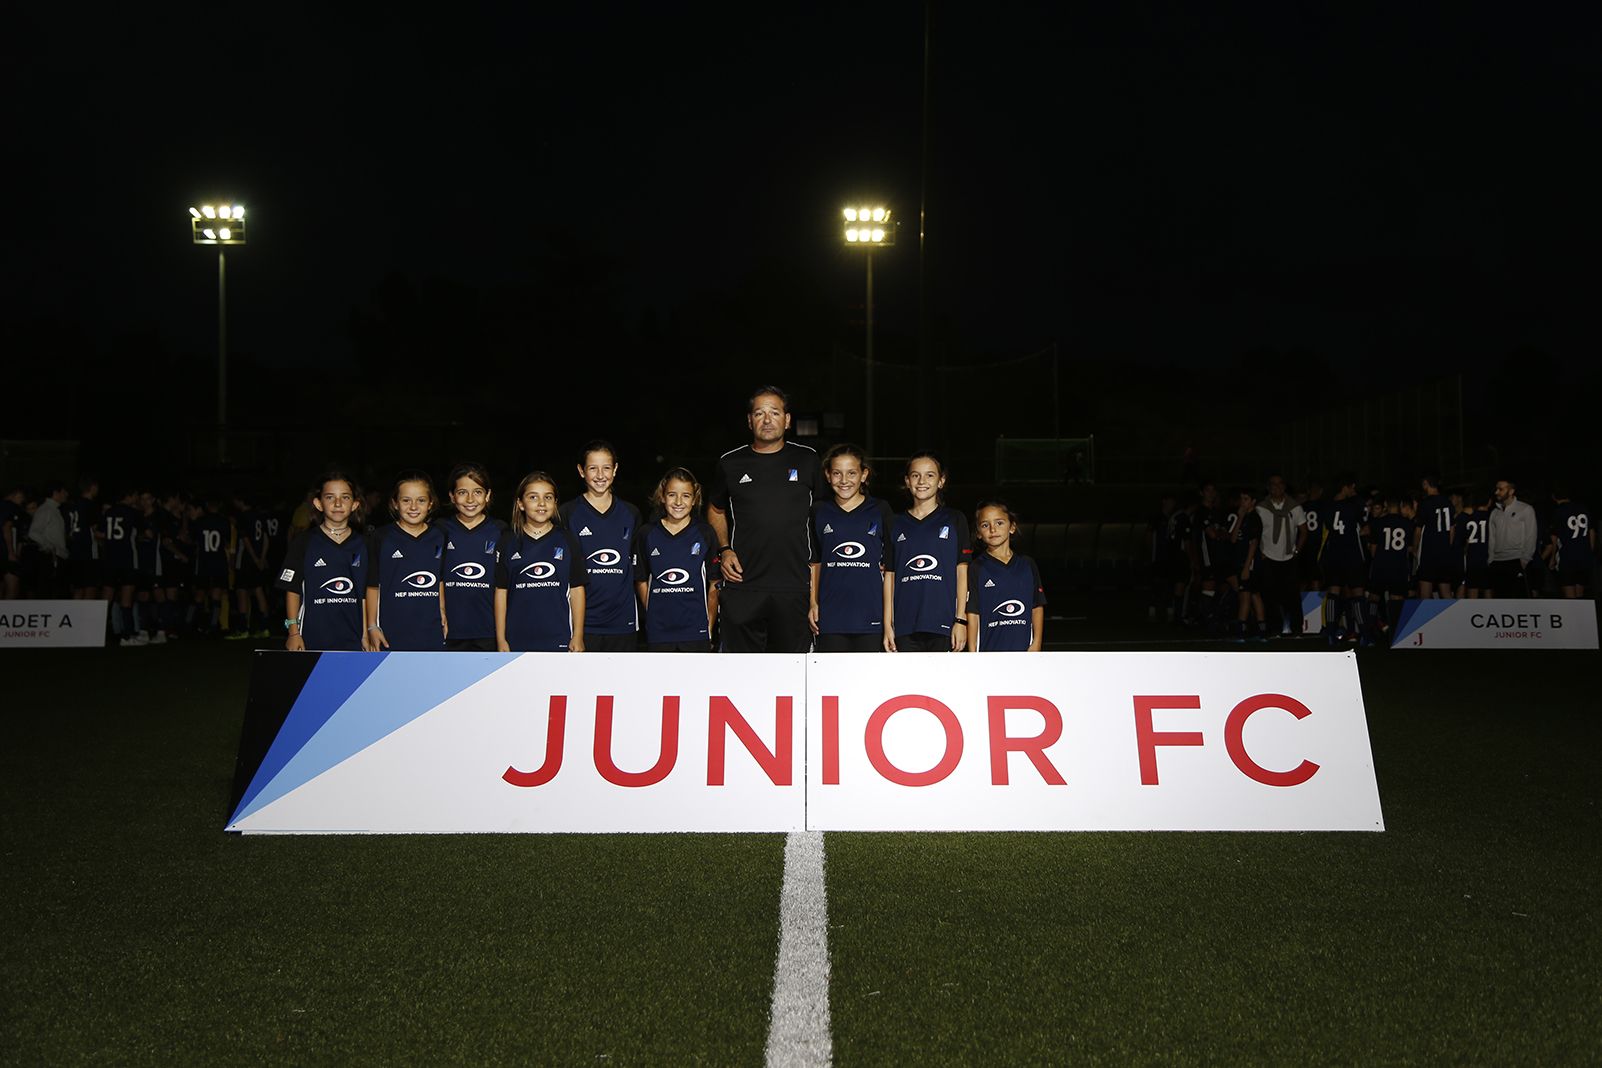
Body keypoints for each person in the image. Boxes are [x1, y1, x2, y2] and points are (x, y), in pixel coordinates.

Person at [706, 386, 821, 653]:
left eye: (774, 412)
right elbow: (715, 509)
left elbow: (827, 517)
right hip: (743, 585)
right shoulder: (730, 463)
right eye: (759, 413)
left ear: (787, 420)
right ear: (749, 421)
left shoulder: (807, 459)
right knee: (741, 672)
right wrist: (724, 549)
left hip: (794, 586)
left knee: (792, 674)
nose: (767, 420)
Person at [810, 444, 895, 652]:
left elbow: (891, 567)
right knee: (831, 684)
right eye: (837, 473)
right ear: (828, 476)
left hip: (871, 618)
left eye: (851, 473)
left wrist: (888, 622)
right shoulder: (819, 511)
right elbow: (815, 562)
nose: (844, 480)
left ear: (864, 475)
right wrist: (813, 603)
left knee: (868, 683)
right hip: (830, 618)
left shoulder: (880, 510)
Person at [560, 440, 642, 652]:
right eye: (592, 468)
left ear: (615, 469)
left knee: (622, 684)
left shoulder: (631, 513)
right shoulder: (567, 513)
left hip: (623, 623)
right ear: (581, 471)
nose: (600, 475)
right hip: (582, 624)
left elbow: (638, 569)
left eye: (606, 467)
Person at [885, 451, 971, 652]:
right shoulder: (894, 523)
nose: (922, 481)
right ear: (907, 481)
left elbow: (962, 572)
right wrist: (888, 625)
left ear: (941, 481)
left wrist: (961, 620)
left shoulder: (955, 519)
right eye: (915, 475)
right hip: (904, 625)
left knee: (942, 683)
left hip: (944, 624)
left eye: (930, 475)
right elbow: (890, 576)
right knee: (907, 684)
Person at [495, 472, 587, 652]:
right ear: (520, 503)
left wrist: (578, 635)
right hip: (516, 638)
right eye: (533, 497)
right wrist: (501, 638)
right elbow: (501, 592)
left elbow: (577, 590)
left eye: (548, 497)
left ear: (555, 503)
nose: (542, 503)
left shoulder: (567, 540)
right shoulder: (507, 541)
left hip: (559, 637)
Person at [276, 473, 366, 651]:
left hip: (355, 637)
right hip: (313, 636)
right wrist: (294, 633)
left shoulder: (366, 544)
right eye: (330, 497)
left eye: (345, 497)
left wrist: (368, 632)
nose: (338, 504)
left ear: (355, 504)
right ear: (318, 503)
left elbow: (368, 593)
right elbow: (292, 589)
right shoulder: (303, 542)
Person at [633, 467, 719, 652]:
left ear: (695, 499)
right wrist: (653, 613)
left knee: (695, 681)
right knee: (661, 681)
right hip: (659, 634)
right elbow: (640, 579)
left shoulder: (705, 534)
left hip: (696, 632)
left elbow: (715, 583)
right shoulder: (647, 534)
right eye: (672, 494)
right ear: (662, 496)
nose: (678, 502)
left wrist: (709, 628)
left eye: (686, 496)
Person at [363, 471, 447, 652]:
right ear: (395, 503)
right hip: (391, 633)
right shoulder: (381, 537)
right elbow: (372, 586)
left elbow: (439, 579)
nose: (413, 507)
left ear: (430, 503)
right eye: (406, 500)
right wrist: (371, 626)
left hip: (430, 631)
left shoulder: (439, 536)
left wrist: (442, 612)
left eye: (421, 500)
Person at [440, 463, 506, 652]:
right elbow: (436, 577)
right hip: (449, 631)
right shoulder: (439, 530)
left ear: (488, 495)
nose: (470, 499)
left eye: (477, 492)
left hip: (489, 632)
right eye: (462, 492)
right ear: (452, 496)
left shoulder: (501, 531)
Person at [965, 499, 1046, 652]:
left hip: (1023, 652)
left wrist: (1036, 643)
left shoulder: (1027, 565)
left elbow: (1036, 606)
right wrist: (972, 651)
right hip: (989, 652)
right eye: (985, 525)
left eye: (999, 523)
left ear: (1012, 527)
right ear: (978, 533)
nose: (993, 529)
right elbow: (973, 614)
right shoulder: (976, 568)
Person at [1253, 474, 1305, 637]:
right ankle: (1275, 629)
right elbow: (1255, 532)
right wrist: (1260, 553)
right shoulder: (1261, 508)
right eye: (1273, 484)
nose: (1277, 487)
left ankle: (1296, 629)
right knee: (1270, 596)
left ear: (1284, 487)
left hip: (1289, 557)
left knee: (1293, 596)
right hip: (1268, 557)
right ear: (1268, 488)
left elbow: (1304, 531)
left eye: (1280, 484)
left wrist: (1297, 550)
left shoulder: (1294, 507)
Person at [1321, 474, 1368, 642]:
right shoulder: (1353, 506)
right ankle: (1364, 634)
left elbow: (1327, 527)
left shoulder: (1327, 506)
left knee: (1333, 591)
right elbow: (1365, 527)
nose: (1353, 491)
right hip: (1351, 554)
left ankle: (1331, 634)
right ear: (1345, 487)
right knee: (1357, 592)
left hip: (1333, 553)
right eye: (1352, 487)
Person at [1366, 495, 1415, 644]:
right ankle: (1396, 634)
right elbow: (1410, 548)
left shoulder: (1378, 523)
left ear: (1386, 504)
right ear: (1400, 505)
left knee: (1374, 598)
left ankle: (1370, 632)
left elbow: (1373, 549)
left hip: (1381, 565)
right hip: (1398, 566)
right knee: (1396, 599)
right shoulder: (1407, 524)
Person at [100, 489, 146, 645]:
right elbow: (144, 533)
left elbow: (101, 533)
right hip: (127, 559)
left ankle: (98, 633)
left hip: (110, 558)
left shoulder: (109, 512)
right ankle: (127, 636)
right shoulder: (133, 513)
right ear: (129, 495)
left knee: (107, 598)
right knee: (127, 598)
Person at [229, 494, 273, 639]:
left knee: (242, 591)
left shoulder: (242, 517)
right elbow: (266, 538)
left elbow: (245, 540)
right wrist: (262, 557)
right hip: (258, 559)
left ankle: (243, 629)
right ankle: (264, 627)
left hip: (245, 560)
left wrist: (255, 558)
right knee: (259, 590)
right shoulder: (260, 516)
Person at [190, 497, 233, 636]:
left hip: (204, 562)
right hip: (218, 562)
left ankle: (193, 624)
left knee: (200, 595)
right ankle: (213, 625)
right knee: (216, 596)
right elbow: (227, 543)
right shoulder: (224, 522)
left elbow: (195, 542)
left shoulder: (200, 522)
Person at [1487, 477, 1536, 598]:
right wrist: (1491, 559)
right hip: (1498, 563)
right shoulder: (1494, 513)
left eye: (1501, 489)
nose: (1496, 492)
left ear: (1511, 491)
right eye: (1496, 489)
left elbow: (1531, 536)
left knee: (1520, 600)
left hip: (1516, 561)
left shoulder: (1525, 509)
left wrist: (1525, 559)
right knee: (1501, 601)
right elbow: (1492, 538)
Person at [1545, 486, 1595, 599]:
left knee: (1570, 598)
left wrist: (1552, 558)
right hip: (1584, 557)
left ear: (1553, 497)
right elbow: (1591, 531)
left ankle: (1575, 616)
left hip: (1567, 557)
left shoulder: (1558, 512)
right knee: (1580, 595)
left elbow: (1554, 538)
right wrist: (1589, 551)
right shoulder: (1583, 508)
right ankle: (1582, 616)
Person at [1413, 473, 1456, 598]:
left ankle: (1426, 617)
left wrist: (1415, 549)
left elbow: (1418, 530)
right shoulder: (1447, 502)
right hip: (1444, 552)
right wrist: (1447, 547)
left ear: (1426, 483)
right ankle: (1451, 617)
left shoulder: (1425, 503)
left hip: (1429, 552)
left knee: (1425, 592)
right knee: (1446, 593)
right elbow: (1452, 529)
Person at [1234, 487, 1267, 642]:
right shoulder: (1244, 517)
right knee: (1254, 594)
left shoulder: (1254, 518)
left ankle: (1241, 632)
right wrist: (1239, 518)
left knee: (1246, 595)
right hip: (1244, 561)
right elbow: (1233, 539)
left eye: (1246, 499)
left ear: (1253, 502)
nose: (1242, 502)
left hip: (1250, 563)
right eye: (1241, 498)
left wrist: (1247, 567)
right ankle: (1261, 632)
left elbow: (1254, 544)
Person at [26, 483, 70, 598]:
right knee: (49, 593)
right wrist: (50, 546)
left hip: (56, 557)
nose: (67, 494)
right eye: (64, 492)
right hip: (50, 558)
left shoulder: (54, 510)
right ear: (55, 493)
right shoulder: (46, 509)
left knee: (55, 593)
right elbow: (33, 532)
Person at [63, 477, 101, 600]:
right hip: (88, 550)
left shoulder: (72, 505)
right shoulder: (90, 505)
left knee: (78, 587)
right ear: (93, 487)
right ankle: (87, 617)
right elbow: (95, 530)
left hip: (74, 550)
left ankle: (75, 616)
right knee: (90, 586)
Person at [1454, 492, 1492, 598]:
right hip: (1488, 558)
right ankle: (1489, 613)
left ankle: (1472, 614)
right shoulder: (1492, 518)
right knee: (1488, 589)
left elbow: (1460, 541)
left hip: (1472, 559)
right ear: (1489, 502)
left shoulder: (1469, 518)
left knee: (1472, 591)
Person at [1, 486, 26, 599]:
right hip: (6, 554)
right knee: (13, 589)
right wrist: (11, 552)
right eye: (21, 497)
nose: (22, 500)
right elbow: (7, 527)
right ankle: (8, 615)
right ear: (16, 494)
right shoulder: (11, 507)